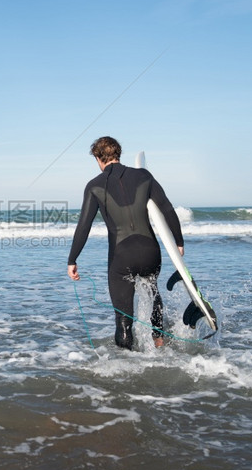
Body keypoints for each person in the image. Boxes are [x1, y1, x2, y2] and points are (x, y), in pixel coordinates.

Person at [67, 136, 184, 350]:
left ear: (98, 157)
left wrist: (72, 259)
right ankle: (159, 340)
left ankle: (126, 367)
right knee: (152, 290)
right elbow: (167, 209)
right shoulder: (144, 175)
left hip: (121, 257)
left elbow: (84, 226)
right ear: (118, 154)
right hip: (150, 252)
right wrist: (178, 241)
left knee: (123, 319)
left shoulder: (94, 186)